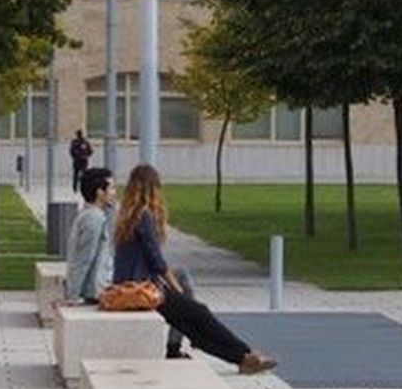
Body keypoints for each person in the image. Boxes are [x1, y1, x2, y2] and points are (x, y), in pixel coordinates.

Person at [111, 164, 277, 375]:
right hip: (142, 290)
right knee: (200, 312)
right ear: (153, 188)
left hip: (130, 287)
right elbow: (157, 261)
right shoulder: (144, 216)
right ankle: (247, 354)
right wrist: (176, 288)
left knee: (189, 324)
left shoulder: (127, 215)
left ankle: (242, 359)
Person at [65, 168, 116, 303]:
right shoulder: (93, 218)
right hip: (94, 293)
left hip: (98, 290)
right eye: (111, 188)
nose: (114, 193)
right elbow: (83, 258)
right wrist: (72, 296)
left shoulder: (93, 215)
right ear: (100, 192)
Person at [68, 130, 94, 194]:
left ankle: (79, 187)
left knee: (80, 175)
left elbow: (90, 151)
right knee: (77, 175)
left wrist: (85, 156)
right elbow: (72, 151)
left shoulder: (84, 142)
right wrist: (81, 156)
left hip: (82, 161)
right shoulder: (76, 142)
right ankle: (76, 188)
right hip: (79, 161)